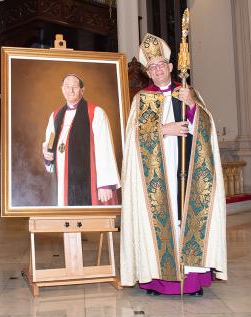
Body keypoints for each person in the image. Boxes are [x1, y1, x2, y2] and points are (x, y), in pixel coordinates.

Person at [120, 33, 227, 296]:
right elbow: (132, 140)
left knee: (186, 220)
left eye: (161, 65)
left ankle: (191, 280)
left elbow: (207, 129)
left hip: (187, 172)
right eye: (152, 67)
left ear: (170, 67)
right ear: (148, 72)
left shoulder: (187, 92)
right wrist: (162, 129)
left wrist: (191, 105)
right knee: (160, 225)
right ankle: (158, 280)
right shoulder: (142, 99)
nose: (157, 70)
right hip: (156, 178)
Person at [42, 74, 120, 206]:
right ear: (62, 89)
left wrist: (105, 184)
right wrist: (47, 154)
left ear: (82, 90)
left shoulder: (96, 113)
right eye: (67, 86)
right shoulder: (55, 115)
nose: (70, 91)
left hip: (88, 181)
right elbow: (50, 140)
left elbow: (104, 148)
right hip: (62, 180)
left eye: (74, 87)